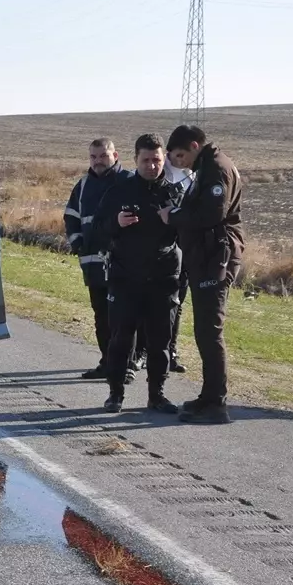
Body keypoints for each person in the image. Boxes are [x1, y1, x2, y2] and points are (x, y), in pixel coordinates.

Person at [160, 125, 245, 424]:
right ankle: (208, 397)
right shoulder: (206, 167)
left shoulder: (217, 169)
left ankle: (217, 405)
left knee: (210, 332)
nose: (179, 162)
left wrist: (174, 216)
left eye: (181, 155)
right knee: (203, 331)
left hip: (215, 258)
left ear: (194, 146)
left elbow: (212, 214)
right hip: (206, 257)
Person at [96, 133, 185, 414]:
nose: (151, 166)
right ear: (135, 160)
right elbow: (97, 230)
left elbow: (190, 234)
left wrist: (176, 219)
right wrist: (116, 222)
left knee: (160, 341)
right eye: (145, 160)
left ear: (164, 160)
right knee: (121, 338)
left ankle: (156, 395)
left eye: (156, 160)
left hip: (163, 278)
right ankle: (115, 394)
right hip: (126, 278)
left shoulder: (174, 194)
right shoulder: (120, 191)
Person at [63, 138, 135, 383]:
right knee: (101, 317)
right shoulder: (83, 185)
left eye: (103, 156)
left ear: (115, 155)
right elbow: (71, 215)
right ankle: (107, 362)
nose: (97, 161)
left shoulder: (128, 181)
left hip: (123, 264)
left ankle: (125, 366)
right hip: (93, 265)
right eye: (93, 157)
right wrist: (77, 243)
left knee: (123, 318)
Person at [164, 155, 194, 374]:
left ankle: (171, 352)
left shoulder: (194, 176)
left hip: (185, 250)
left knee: (177, 304)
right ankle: (144, 352)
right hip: (161, 251)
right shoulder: (161, 174)